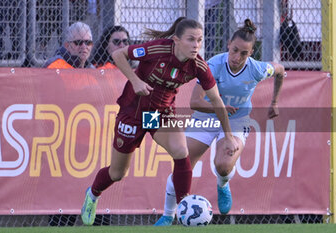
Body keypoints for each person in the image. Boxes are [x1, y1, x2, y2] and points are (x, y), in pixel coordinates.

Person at [80, 16, 239, 226]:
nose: (196, 45)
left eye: (199, 40)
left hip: (159, 114)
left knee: (181, 151)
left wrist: (228, 136)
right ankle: (92, 194)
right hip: (133, 112)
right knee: (118, 173)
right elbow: (118, 54)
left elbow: (217, 99)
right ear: (176, 40)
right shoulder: (157, 49)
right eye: (191, 40)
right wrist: (135, 80)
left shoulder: (198, 65)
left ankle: (184, 210)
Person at [154, 18, 285, 226]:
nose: (237, 57)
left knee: (223, 166)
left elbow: (279, 69)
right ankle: (168, 215)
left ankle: (222, 184)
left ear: (251, 54)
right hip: (207, 117)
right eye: (234, 50)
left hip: (237, 120)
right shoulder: (213, 64)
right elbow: (195, 101)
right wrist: (220, 108)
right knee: (183, 164)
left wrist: (275, 102)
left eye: (244, 53)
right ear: (228, 46)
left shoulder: (257, 69)